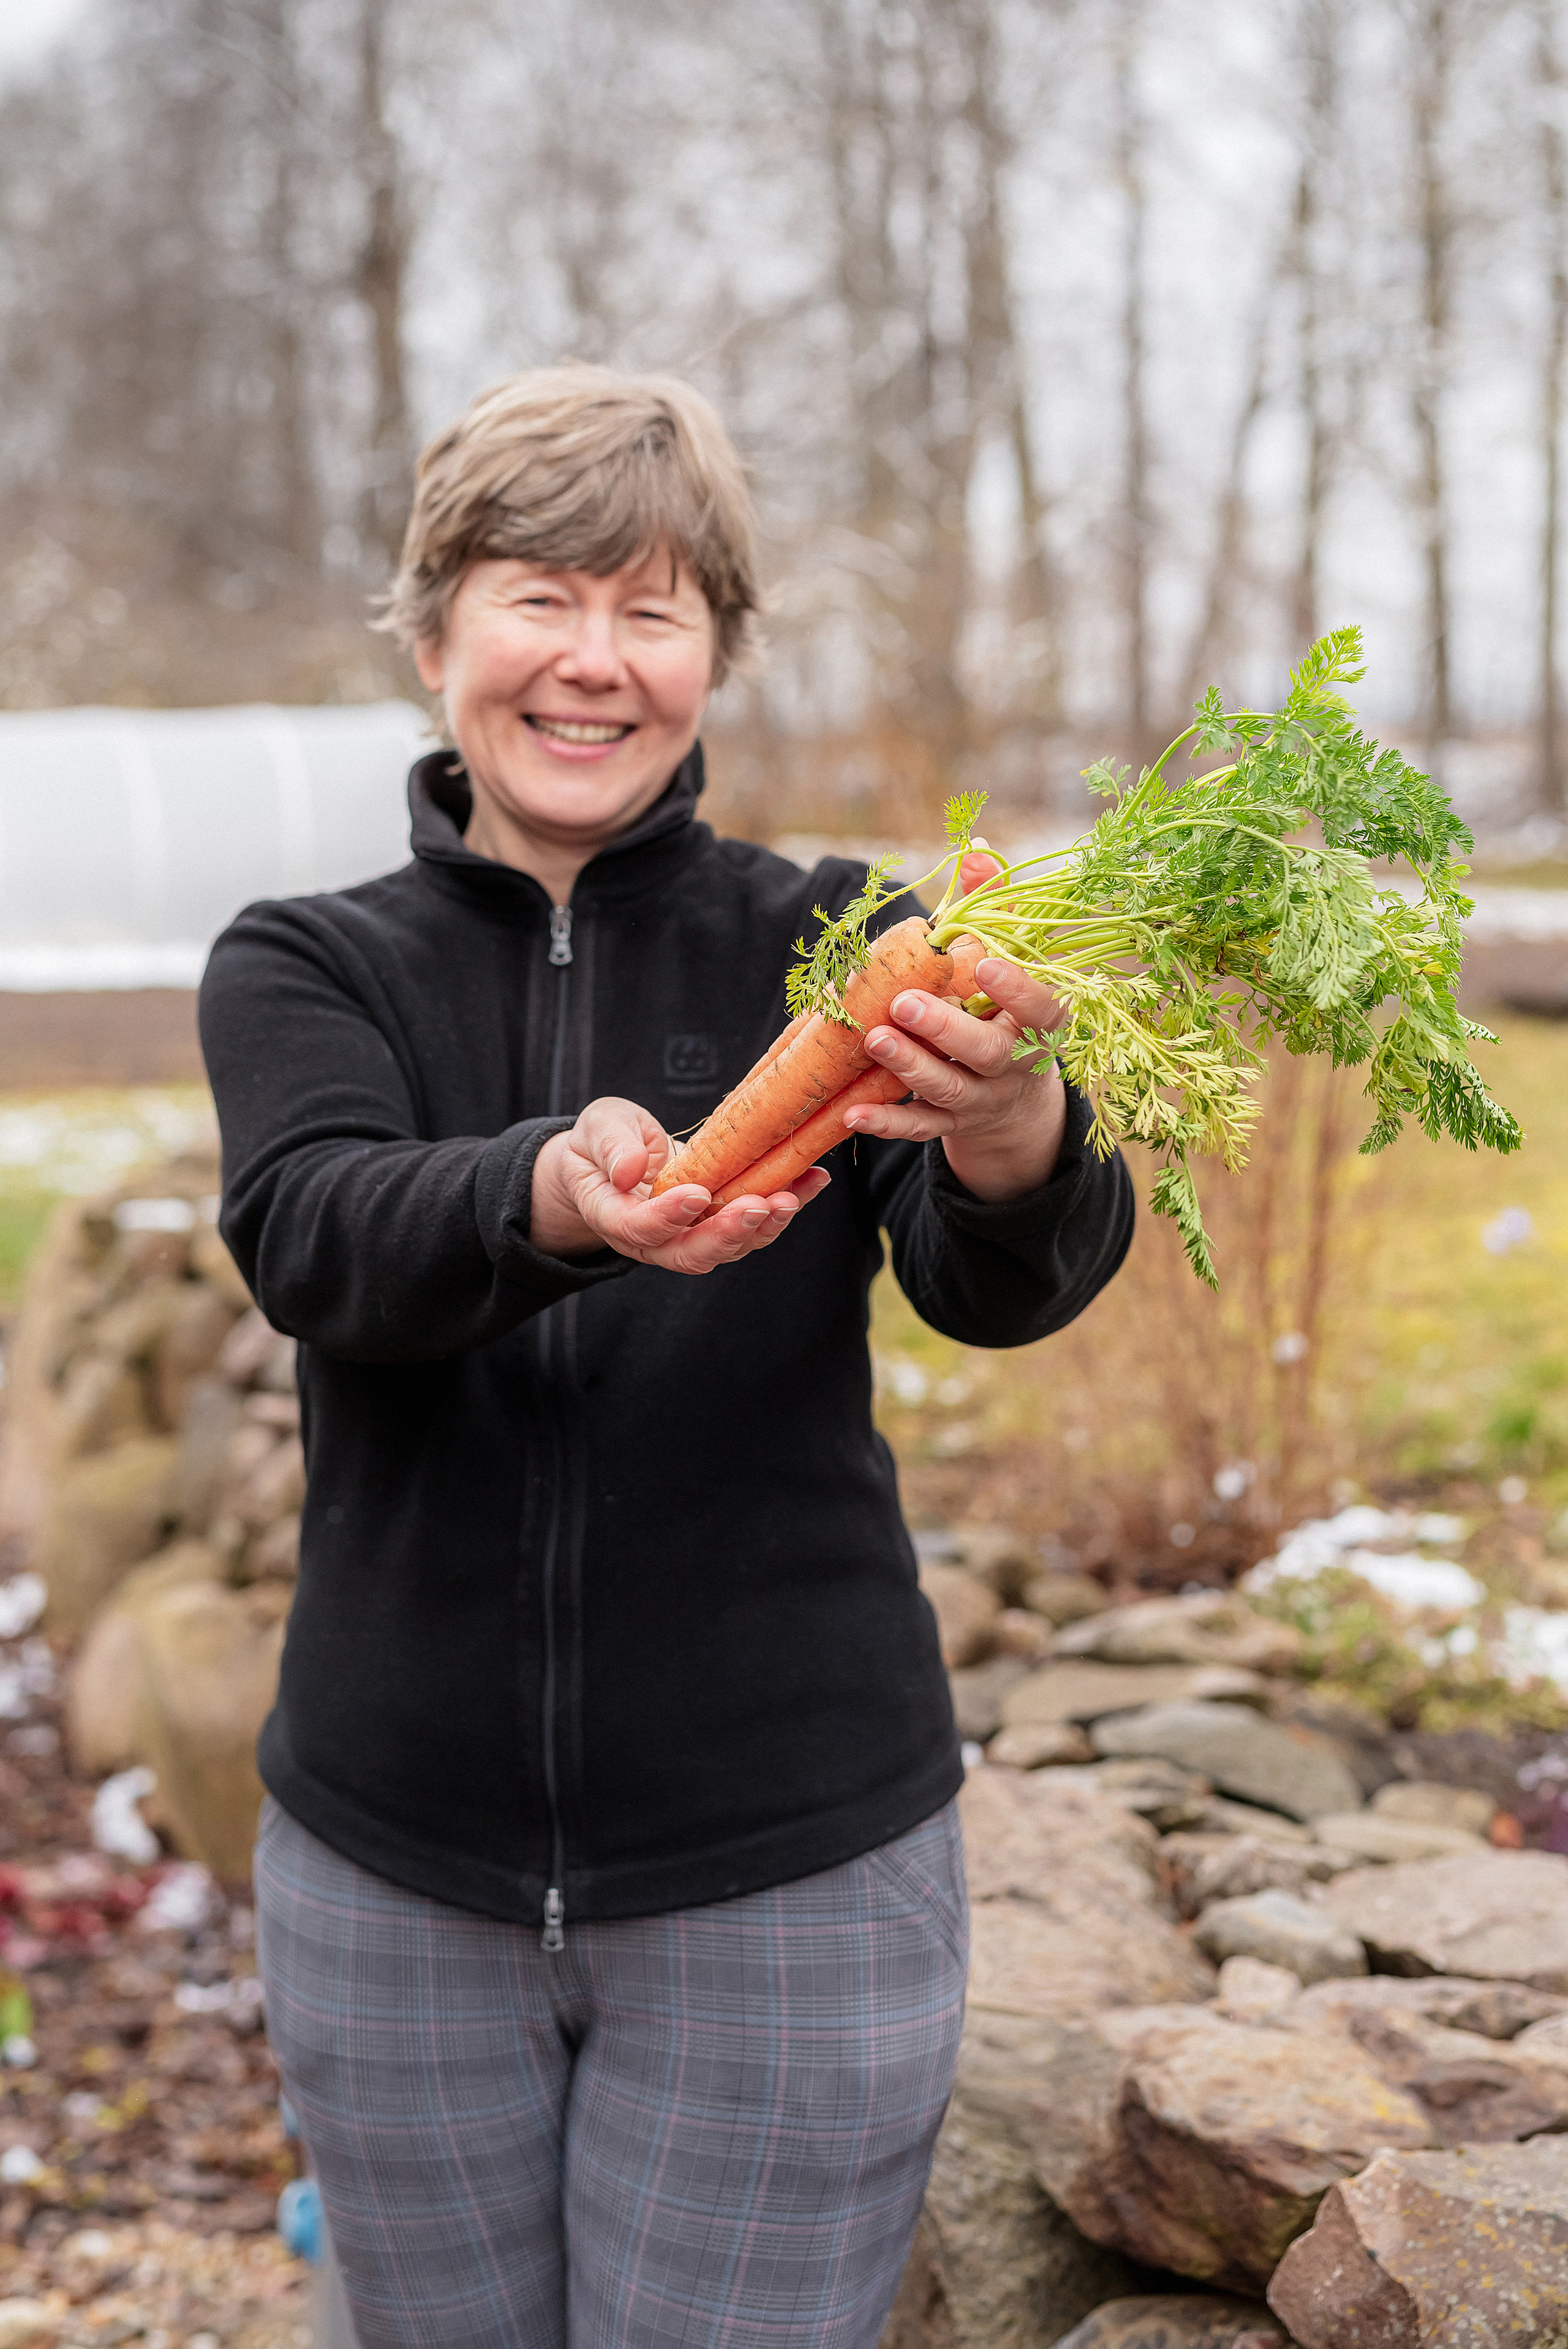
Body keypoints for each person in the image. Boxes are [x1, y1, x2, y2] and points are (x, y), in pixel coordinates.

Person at [200, 363, 1133, 2349]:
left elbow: (997, 1282)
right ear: (438, 624)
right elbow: (316, 1235)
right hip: (396, 1869)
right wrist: (555, 1191)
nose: (593, 662)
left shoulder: (839, 939)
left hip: (786, 1872)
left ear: (717, 649)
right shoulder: (309, 960)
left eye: (655, 608)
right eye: (541, 595)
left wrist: (1006, 1129)